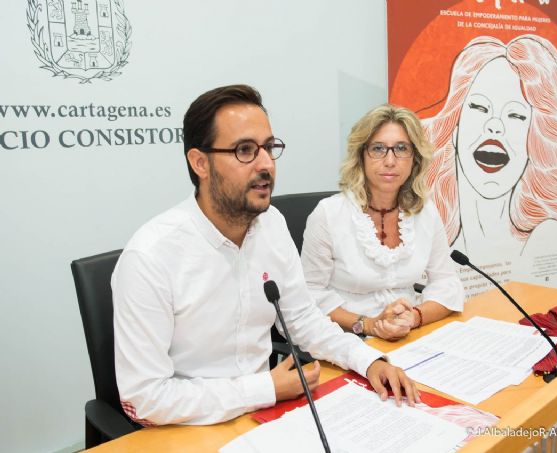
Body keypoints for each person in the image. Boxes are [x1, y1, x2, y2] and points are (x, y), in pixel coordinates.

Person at [112, 85, 418, 426]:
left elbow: (302, 320)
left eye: (269, 148)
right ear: (200, 163)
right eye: (245, 150)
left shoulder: (271, 224)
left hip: (266, 417)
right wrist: (264, 389)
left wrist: (369, 360)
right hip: (188, 428)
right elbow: (143, 398)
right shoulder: (151, 257)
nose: (266, 164)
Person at [422, 35, 557, 289]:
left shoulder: (550, 241)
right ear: (454, 127)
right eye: (479, 107)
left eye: (516, 115)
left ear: (536, 141)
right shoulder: (428, 241)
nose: (495, 126)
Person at [301, 104, 464, 341]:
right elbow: (309, 295)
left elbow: (446, 282)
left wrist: (415, 317)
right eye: (378, 149)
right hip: (345, 339)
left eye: (401, 149)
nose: (390, 161)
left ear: (414, 158)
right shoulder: (329, 214)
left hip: (409, 335)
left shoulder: (425, 211)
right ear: (361, 155)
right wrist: (367, 325)